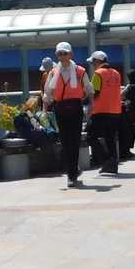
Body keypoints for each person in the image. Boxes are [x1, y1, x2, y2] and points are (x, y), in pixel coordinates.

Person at [44, 41, 92, 187]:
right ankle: (72, 171)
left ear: (71, 54)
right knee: (65, 142)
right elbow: (47, 92)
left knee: (74, 141)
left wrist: (89, 105)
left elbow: (89, 89)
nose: (62, 56)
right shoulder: (53, 72)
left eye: (65, 53)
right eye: (59, 54)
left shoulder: (80, 71)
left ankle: (72, 173)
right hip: (60, 108)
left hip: (75, 108)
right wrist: (46, 107)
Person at [87, 50, 123, 175]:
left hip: (101, 111)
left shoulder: (98, 74)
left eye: (93, 62)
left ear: (98, 61)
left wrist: (84, 101)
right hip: (116, 111)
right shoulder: (116, 73)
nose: (92, 65)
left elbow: (94, 93)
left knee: (90, 136)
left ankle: (106, 160)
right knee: (110, 138)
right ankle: (113, 165)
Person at [120, 69, 135, 156]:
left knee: (131, 128)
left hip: (130, 110)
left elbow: (122, 96)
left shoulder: (129, 87)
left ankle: (127, 149)